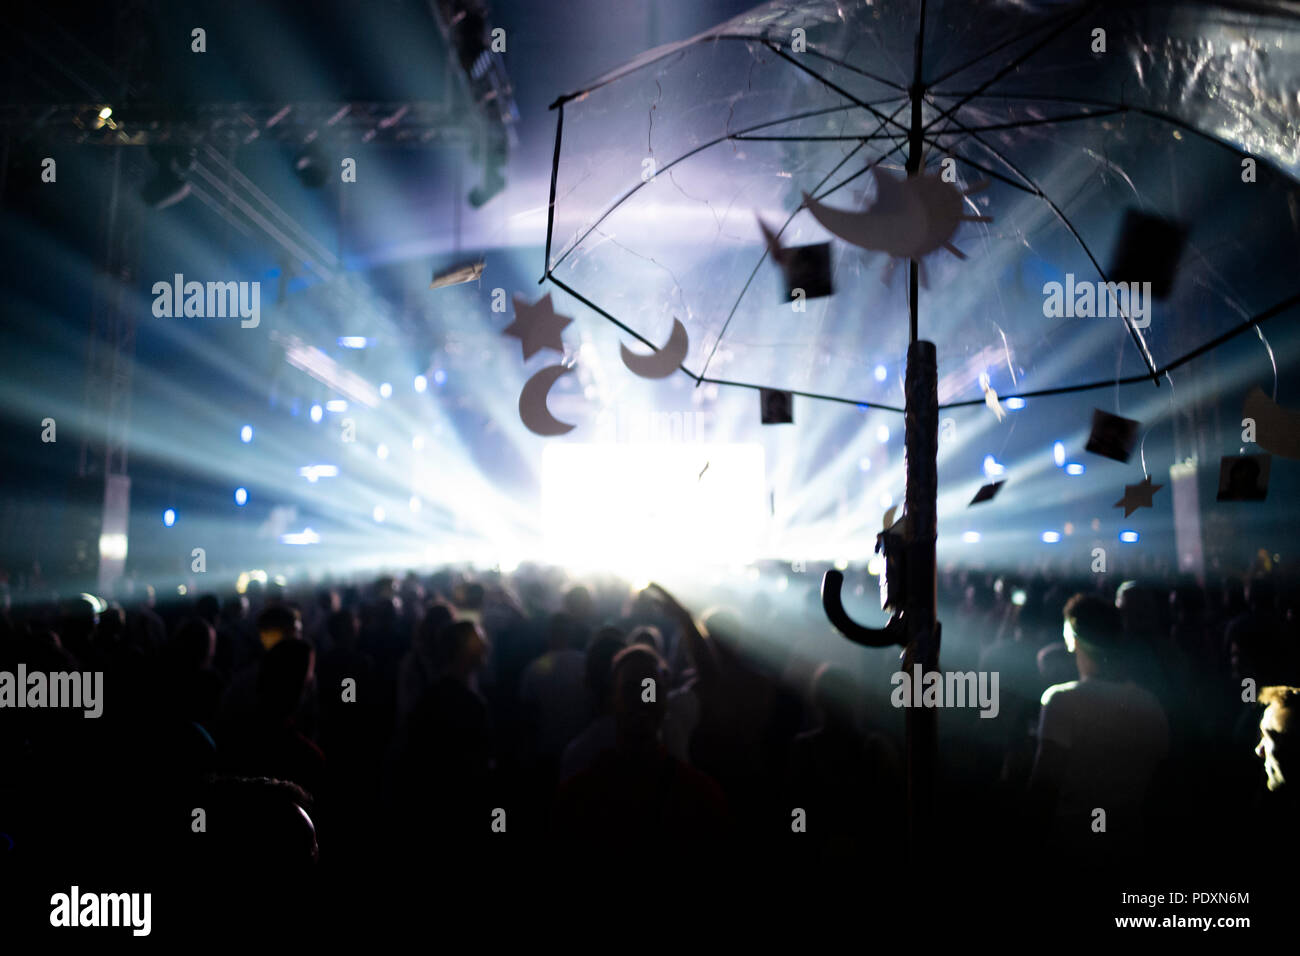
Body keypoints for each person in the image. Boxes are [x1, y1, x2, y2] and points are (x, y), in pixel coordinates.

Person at [1027, 593, 1169, 851]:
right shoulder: (1151, 704)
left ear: (1071, 637)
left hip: (1071, 842)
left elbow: (1043, 791)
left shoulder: (1061, 701)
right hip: (1131, 842)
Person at [552, 645, 727, 854]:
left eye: (650, 689)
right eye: (631, 689)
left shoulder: (578, 794)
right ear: (611, 699)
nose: (644, 699)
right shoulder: (699, 796)